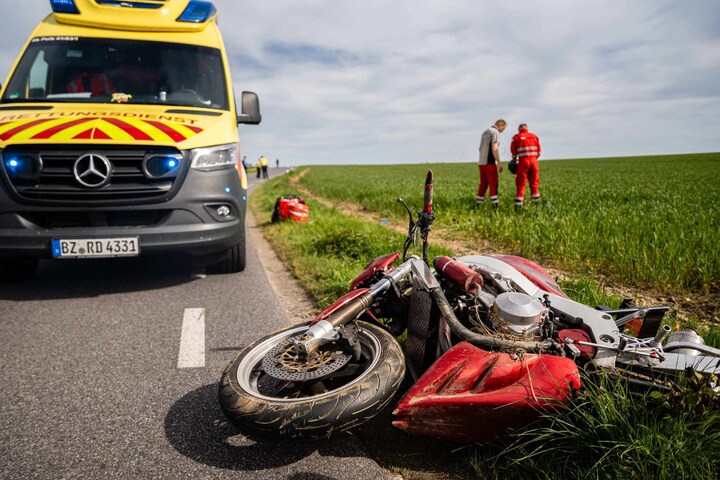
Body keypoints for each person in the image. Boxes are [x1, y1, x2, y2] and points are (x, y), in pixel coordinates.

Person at [510, 123, 541, 208]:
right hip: (534, 162)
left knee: (521, 184)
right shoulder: (534, 136)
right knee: (534, 184)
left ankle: (518, 207)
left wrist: (514, 160)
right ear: (527, 128)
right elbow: (538, 152)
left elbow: (513, 152)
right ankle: (537, 206)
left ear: (519, 129)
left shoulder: (516, 137)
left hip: (523, 162)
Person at [477, 119, 506, 208]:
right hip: (489, 163)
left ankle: (478, 205)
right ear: (500, 125)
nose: (502, 131)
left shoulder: (485, 132)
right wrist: (499, 162)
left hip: (481, 163)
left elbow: (479, 148)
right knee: (493, 183)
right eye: (503, 128)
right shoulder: (495, 132)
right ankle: (495, 206)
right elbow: (494, 148)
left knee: (483, 184)